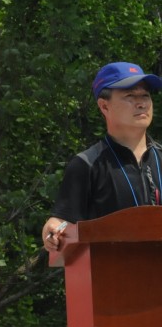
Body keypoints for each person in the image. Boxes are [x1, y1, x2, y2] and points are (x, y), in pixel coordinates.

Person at [42, 61, 162, 251]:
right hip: (112, 268)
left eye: (145, 95)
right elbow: (62, 222)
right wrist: (52, 229)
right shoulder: (87, 164)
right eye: (130, 96)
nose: (141, 103)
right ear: (104, 106)